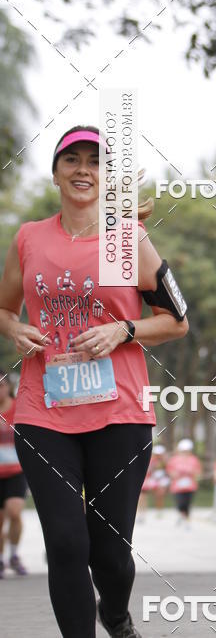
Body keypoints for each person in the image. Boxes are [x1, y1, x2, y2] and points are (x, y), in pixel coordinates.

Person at [0, 125, 189, 638]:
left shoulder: (128, 238)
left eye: (95, 161)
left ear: (108, 177)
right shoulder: (29, 237)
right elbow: (5, 309)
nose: (83, 169)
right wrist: (15, 329)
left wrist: (123, 329)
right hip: (43, 413)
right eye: (72, 160)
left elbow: (176, 321)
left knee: (110, 551)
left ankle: (117, 614)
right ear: (55, 173)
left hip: (119, 414)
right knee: (66, 544)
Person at [0, 369, 28, 577]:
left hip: (17, 470)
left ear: (8, 387)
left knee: (15, 512)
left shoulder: (19, 407)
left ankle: (14, 554)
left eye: (1, 385)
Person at [167, 438, 202, 525]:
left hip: (190, 486)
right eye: (183, 450)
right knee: (180, 503)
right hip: (177, 486)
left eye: (187, 450)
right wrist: (175, 474)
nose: (185, 452)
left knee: (187, 504)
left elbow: (198, 472)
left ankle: (186, 519)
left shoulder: (194, 459)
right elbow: (170, 471)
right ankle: (182, 515)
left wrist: (193, 473)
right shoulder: (174, 459)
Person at [138, 444, 169, 519]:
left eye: (160, 454)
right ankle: (142, 513)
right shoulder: (150, 461)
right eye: (157, 454)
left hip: (160, 481)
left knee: (159, 495)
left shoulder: (165, 462)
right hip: (149, 480)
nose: (158, 456)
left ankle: (159, 511)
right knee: (142, 496)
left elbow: (168, 472)